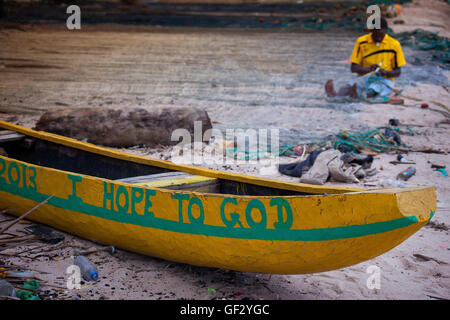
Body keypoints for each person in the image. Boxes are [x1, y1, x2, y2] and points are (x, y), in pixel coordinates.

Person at [325, 18, 406, 99]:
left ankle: (357, 95)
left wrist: (384, 72)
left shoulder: (394, 45)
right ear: (371, 31)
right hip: (365, 77)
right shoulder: (361, 42)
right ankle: (335, 95)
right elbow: (353, 68)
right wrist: (369, 70)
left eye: (381, 35)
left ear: (386, 31)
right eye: (375, 35)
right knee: (350, 86)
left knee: (374, 88)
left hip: (385, 80)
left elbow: (398, 72)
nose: (378, 38)